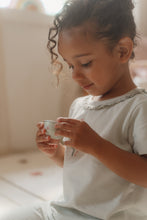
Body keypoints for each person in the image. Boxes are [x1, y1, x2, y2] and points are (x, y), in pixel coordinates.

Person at [3, 0, 147, 220]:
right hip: (65, 210)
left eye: (86, 63)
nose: (75, 76)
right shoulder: (80, 106)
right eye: (71, 65)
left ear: (122, 51)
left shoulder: (138, 108)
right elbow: (79, 165)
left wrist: (96, 145)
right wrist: (56, 152)